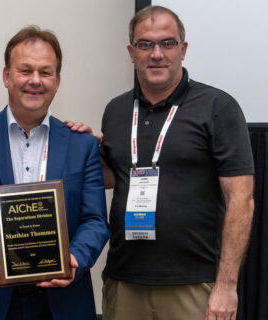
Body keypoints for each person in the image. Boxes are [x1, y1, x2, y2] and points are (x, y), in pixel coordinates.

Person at [0, 26, 110, 320]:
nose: (35, 81)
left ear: (57, 81)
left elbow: (95, 220)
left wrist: (76, 259)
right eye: (25, 70)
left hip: (62, 301)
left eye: (45, 73)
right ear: (7, 76)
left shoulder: (81, 144)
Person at [98, 5, 254, 320]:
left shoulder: (218, 108)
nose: (157, 53)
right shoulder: (115, 111)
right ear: (132, 52)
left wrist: (226, 285)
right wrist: (80, 147)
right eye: (145, 44)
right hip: (124, 281)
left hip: (194, 285)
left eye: (167, 43)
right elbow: (112, 178)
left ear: (182, 50)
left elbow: (241, 199)